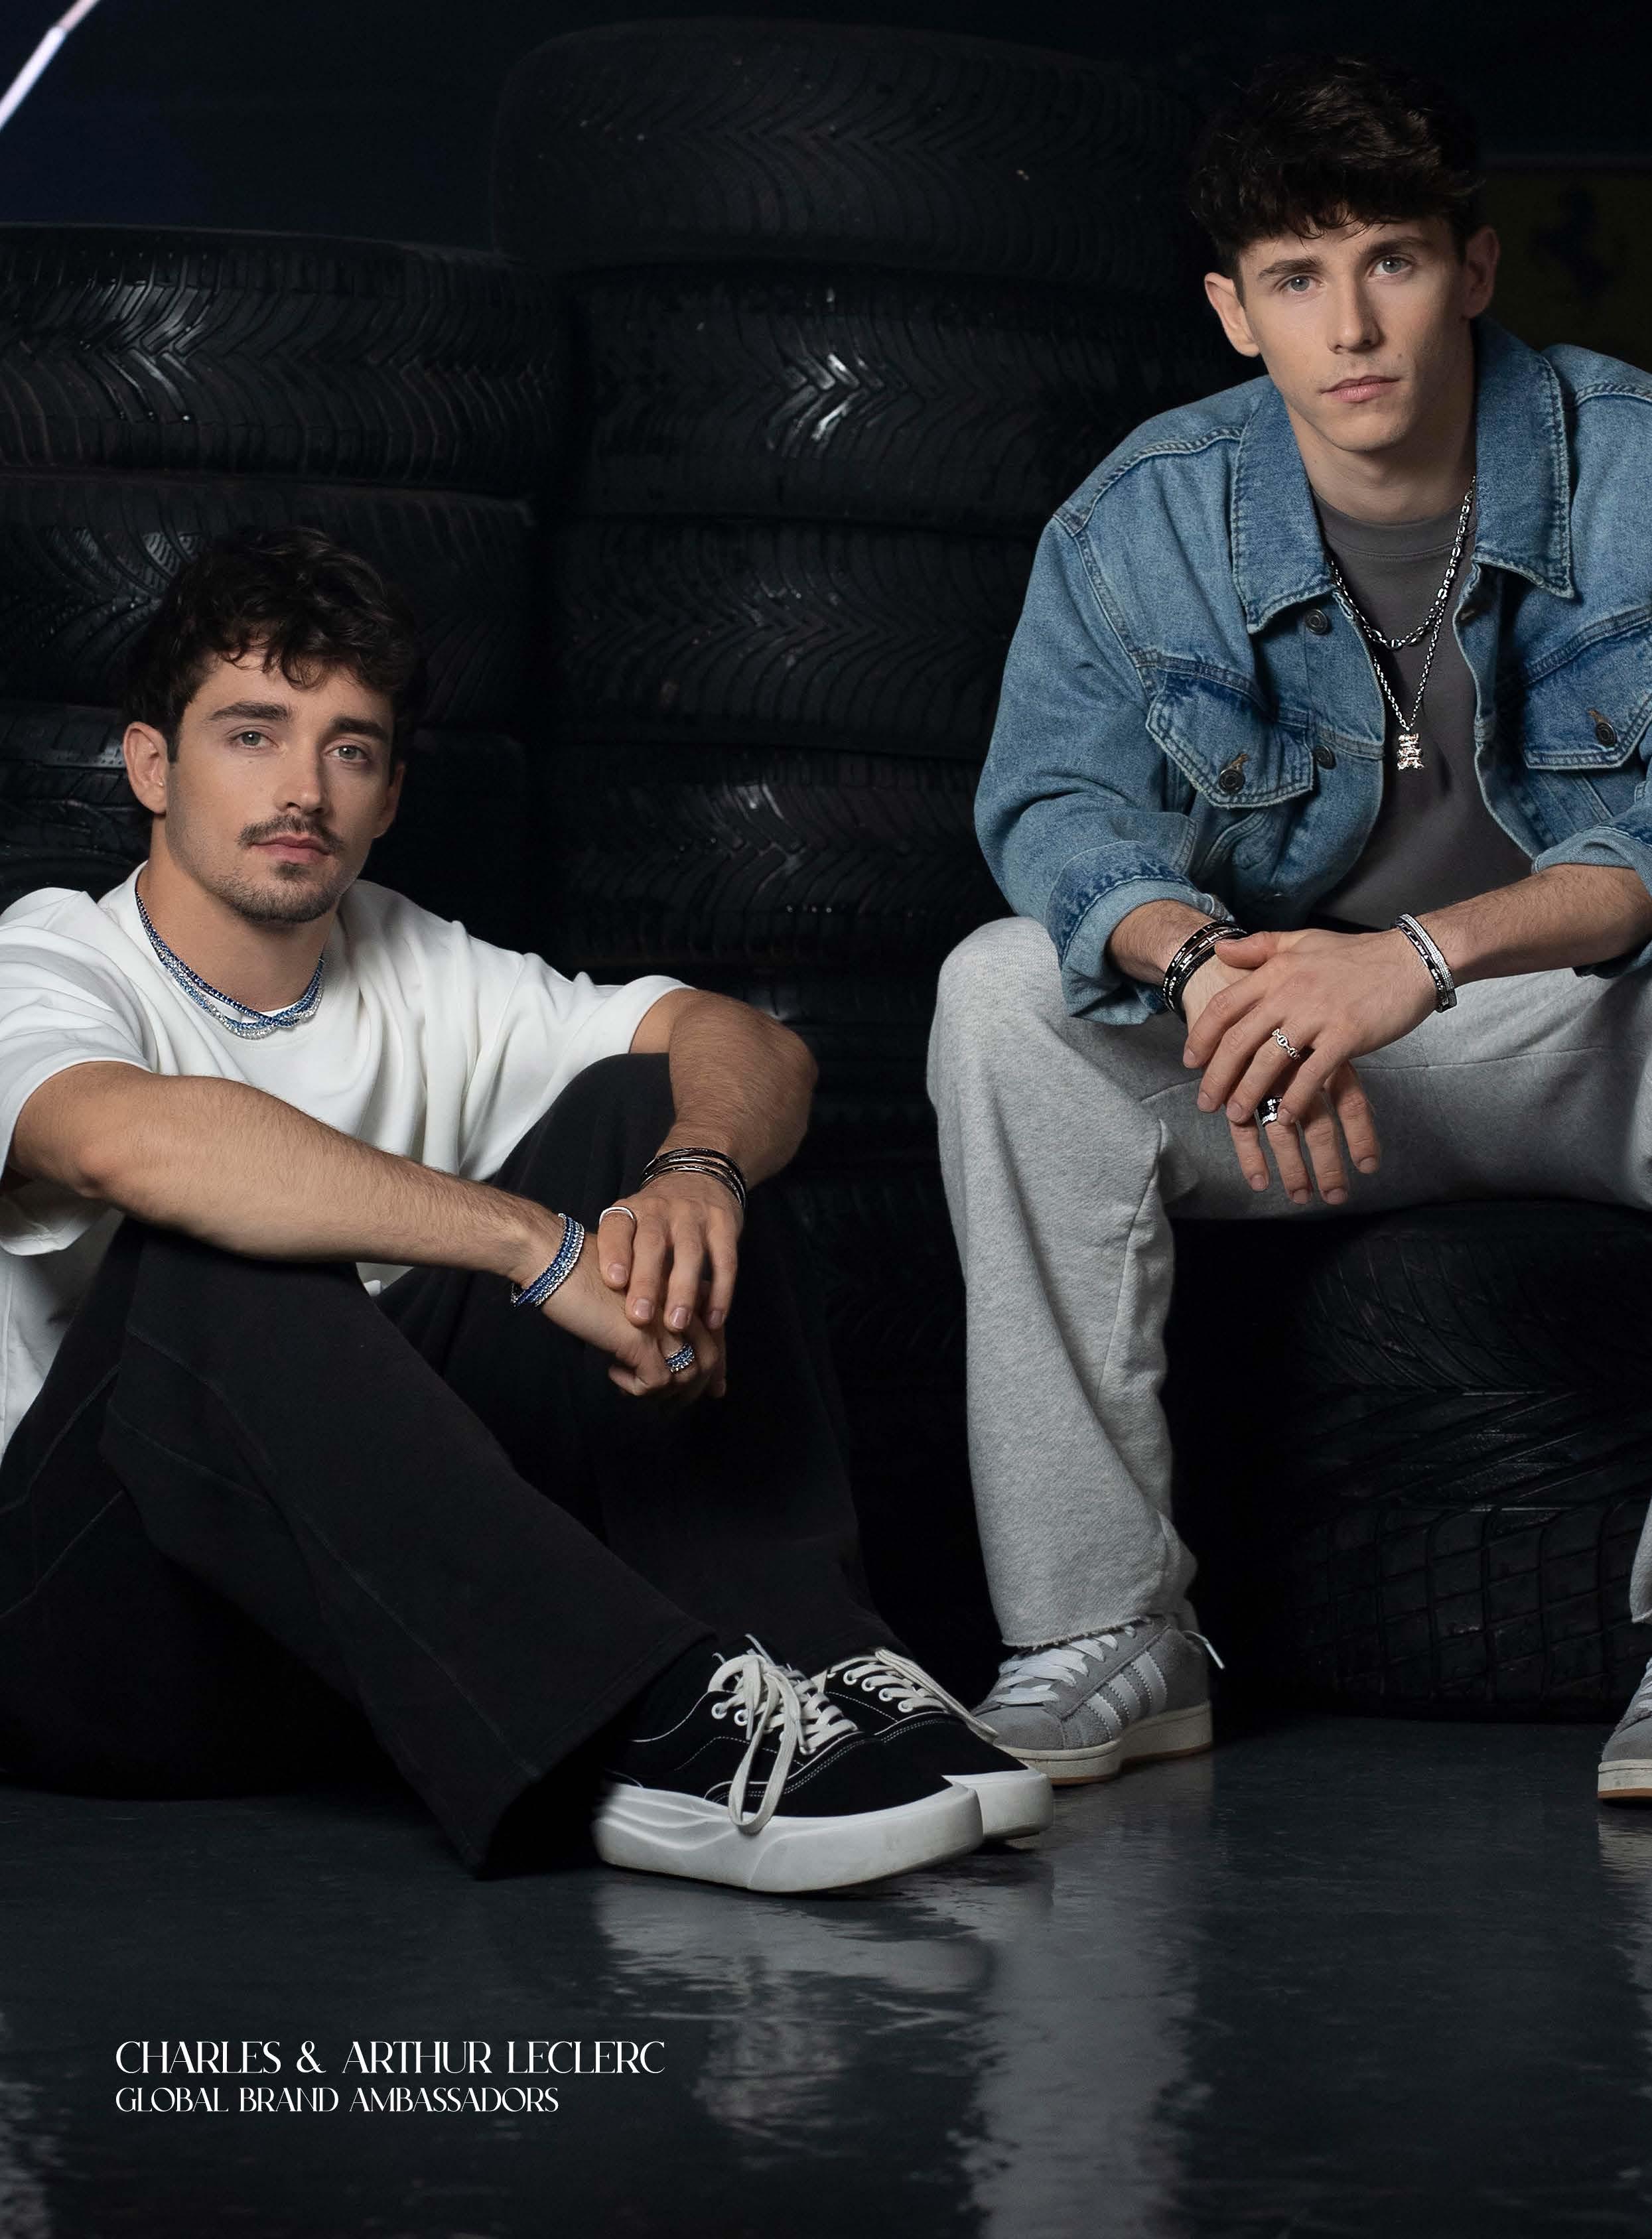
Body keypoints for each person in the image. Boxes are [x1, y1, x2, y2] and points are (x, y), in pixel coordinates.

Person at [0, 527, 1052, 1892]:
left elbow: (750, 1045)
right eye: (252, 734)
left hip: (356, 1642)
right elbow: (124, 1142)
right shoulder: (51, 959)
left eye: (350, 748)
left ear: (389, 795)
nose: (303, 788)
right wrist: (535, 1246)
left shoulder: (418, 960)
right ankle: (639, 1723)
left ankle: (809, 1661)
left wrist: (696, 1168)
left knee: (647, 1107)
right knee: (214, 1248)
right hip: (95, 1638)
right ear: (152, 765)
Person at [929, 53, 1652, 1807]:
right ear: (1232, 312)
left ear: (1473, 269)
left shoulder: (1632, 462)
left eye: (1392, 259)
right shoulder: (1147, 512)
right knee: (999, 993)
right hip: (1285, 1065)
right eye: (1296, 277)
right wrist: (1211, 974)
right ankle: (1105, 1630)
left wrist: (1413, 961)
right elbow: (1053, 807)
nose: (1352, 324)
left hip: (1580, 1028)